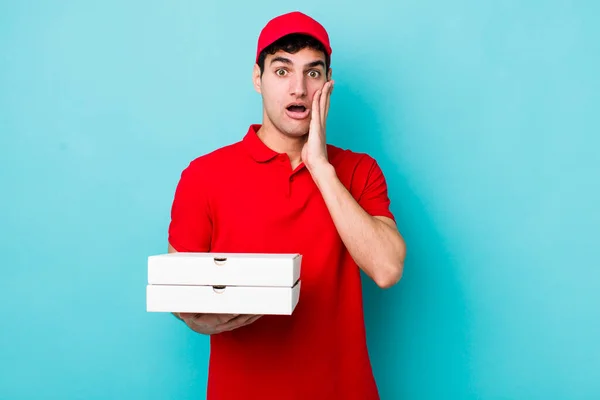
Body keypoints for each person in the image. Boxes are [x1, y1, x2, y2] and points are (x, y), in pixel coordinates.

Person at [167, 10, 406, 400]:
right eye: (282, 71)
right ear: (257, 79)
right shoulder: (204, 175)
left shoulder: (358, 170)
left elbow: (387, 269)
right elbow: (179, 291)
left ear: (327, 84)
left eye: (313, 73)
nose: (298, 89)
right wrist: (199, 320)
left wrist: (321, 168)